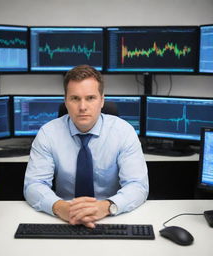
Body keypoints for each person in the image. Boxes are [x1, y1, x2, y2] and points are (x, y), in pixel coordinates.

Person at [24, 65, 149, 228]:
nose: (82, 107)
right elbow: (34, 185)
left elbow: (137, 185)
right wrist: (61, 208)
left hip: (111, 218)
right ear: (65, 100)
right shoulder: (48, 134)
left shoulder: (124, 132)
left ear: (102, 100)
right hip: (64, 218)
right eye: (75, 98)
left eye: (90, 98)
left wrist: (106, 206)